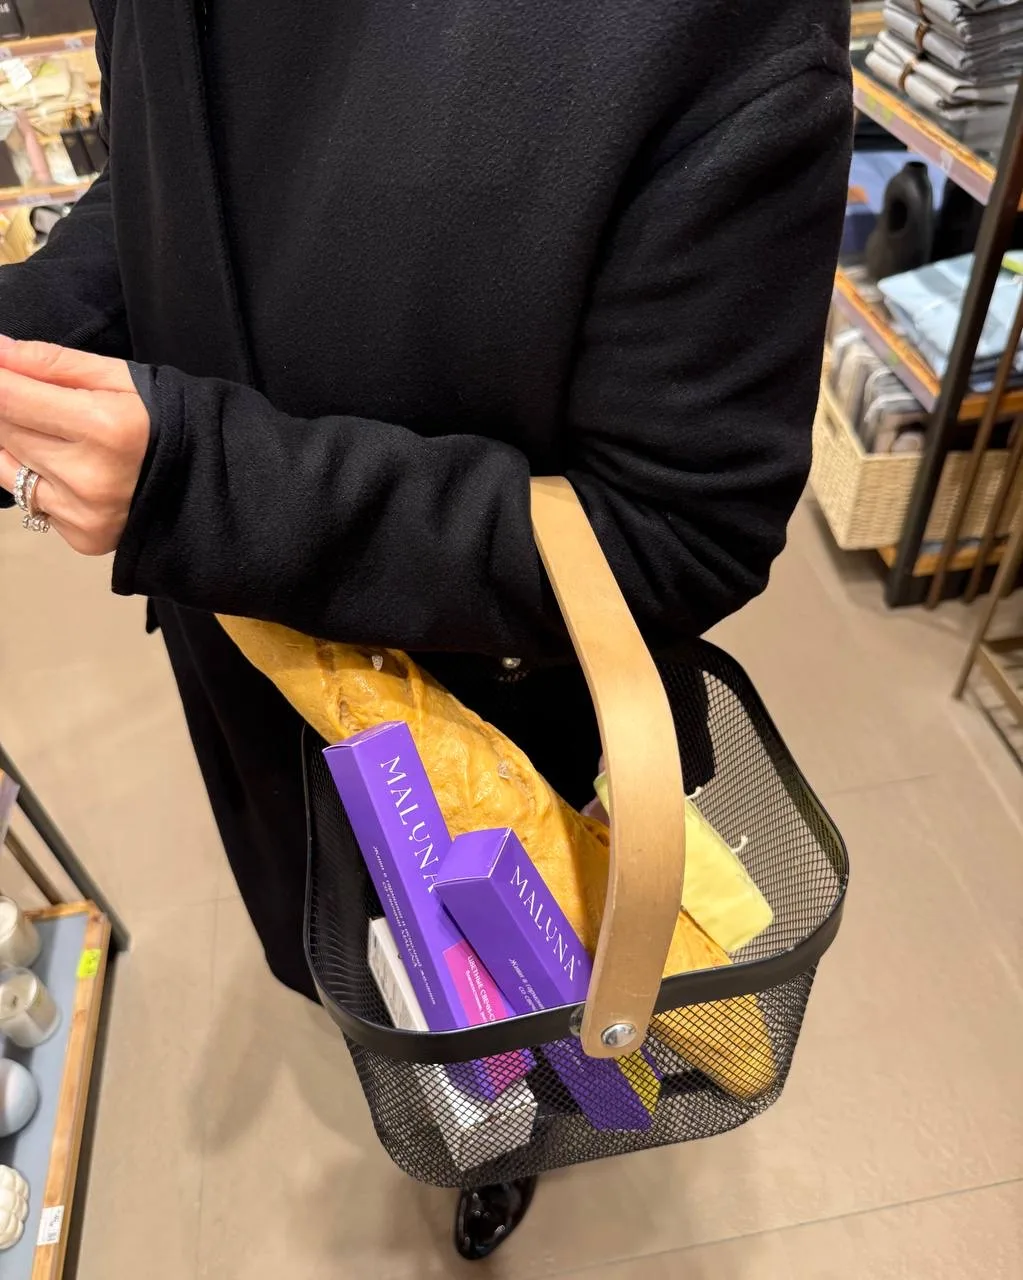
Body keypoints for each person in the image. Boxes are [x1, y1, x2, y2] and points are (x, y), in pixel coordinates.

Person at [0, 0, 852, 1260]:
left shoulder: (711, 30)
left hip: (489, 695)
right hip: (243, 653)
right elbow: (160, 176)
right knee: (326, 931)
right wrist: (29, 337)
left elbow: (683, 525)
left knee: (504, 1003)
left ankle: (504, 1134)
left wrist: (206, 486)